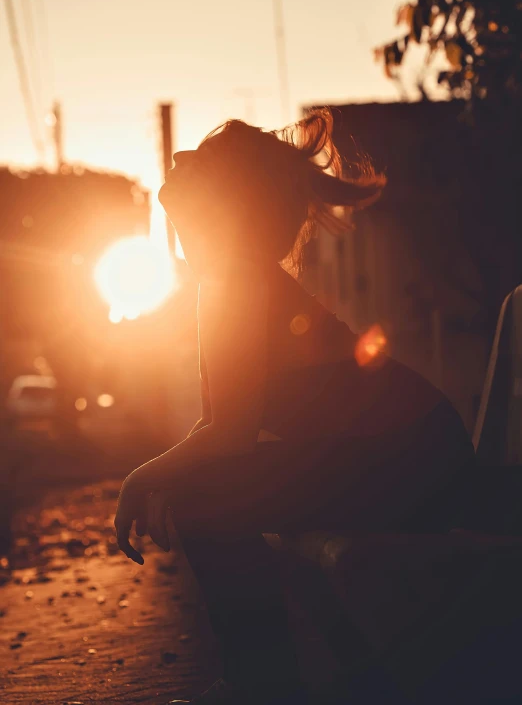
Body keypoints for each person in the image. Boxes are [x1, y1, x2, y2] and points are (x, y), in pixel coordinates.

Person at [115, 109, 475, 704]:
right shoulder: (228, 278)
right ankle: (301, 675)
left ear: (224, 197)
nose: (180, 159)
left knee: (203, 495)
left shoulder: (238, 278)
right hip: (414, 456)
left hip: (416, 460)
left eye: (201, 158)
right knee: (203, 489)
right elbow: (224, 424)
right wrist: (162, 471)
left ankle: (264, 685)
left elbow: (228, 435)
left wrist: (142, 476)